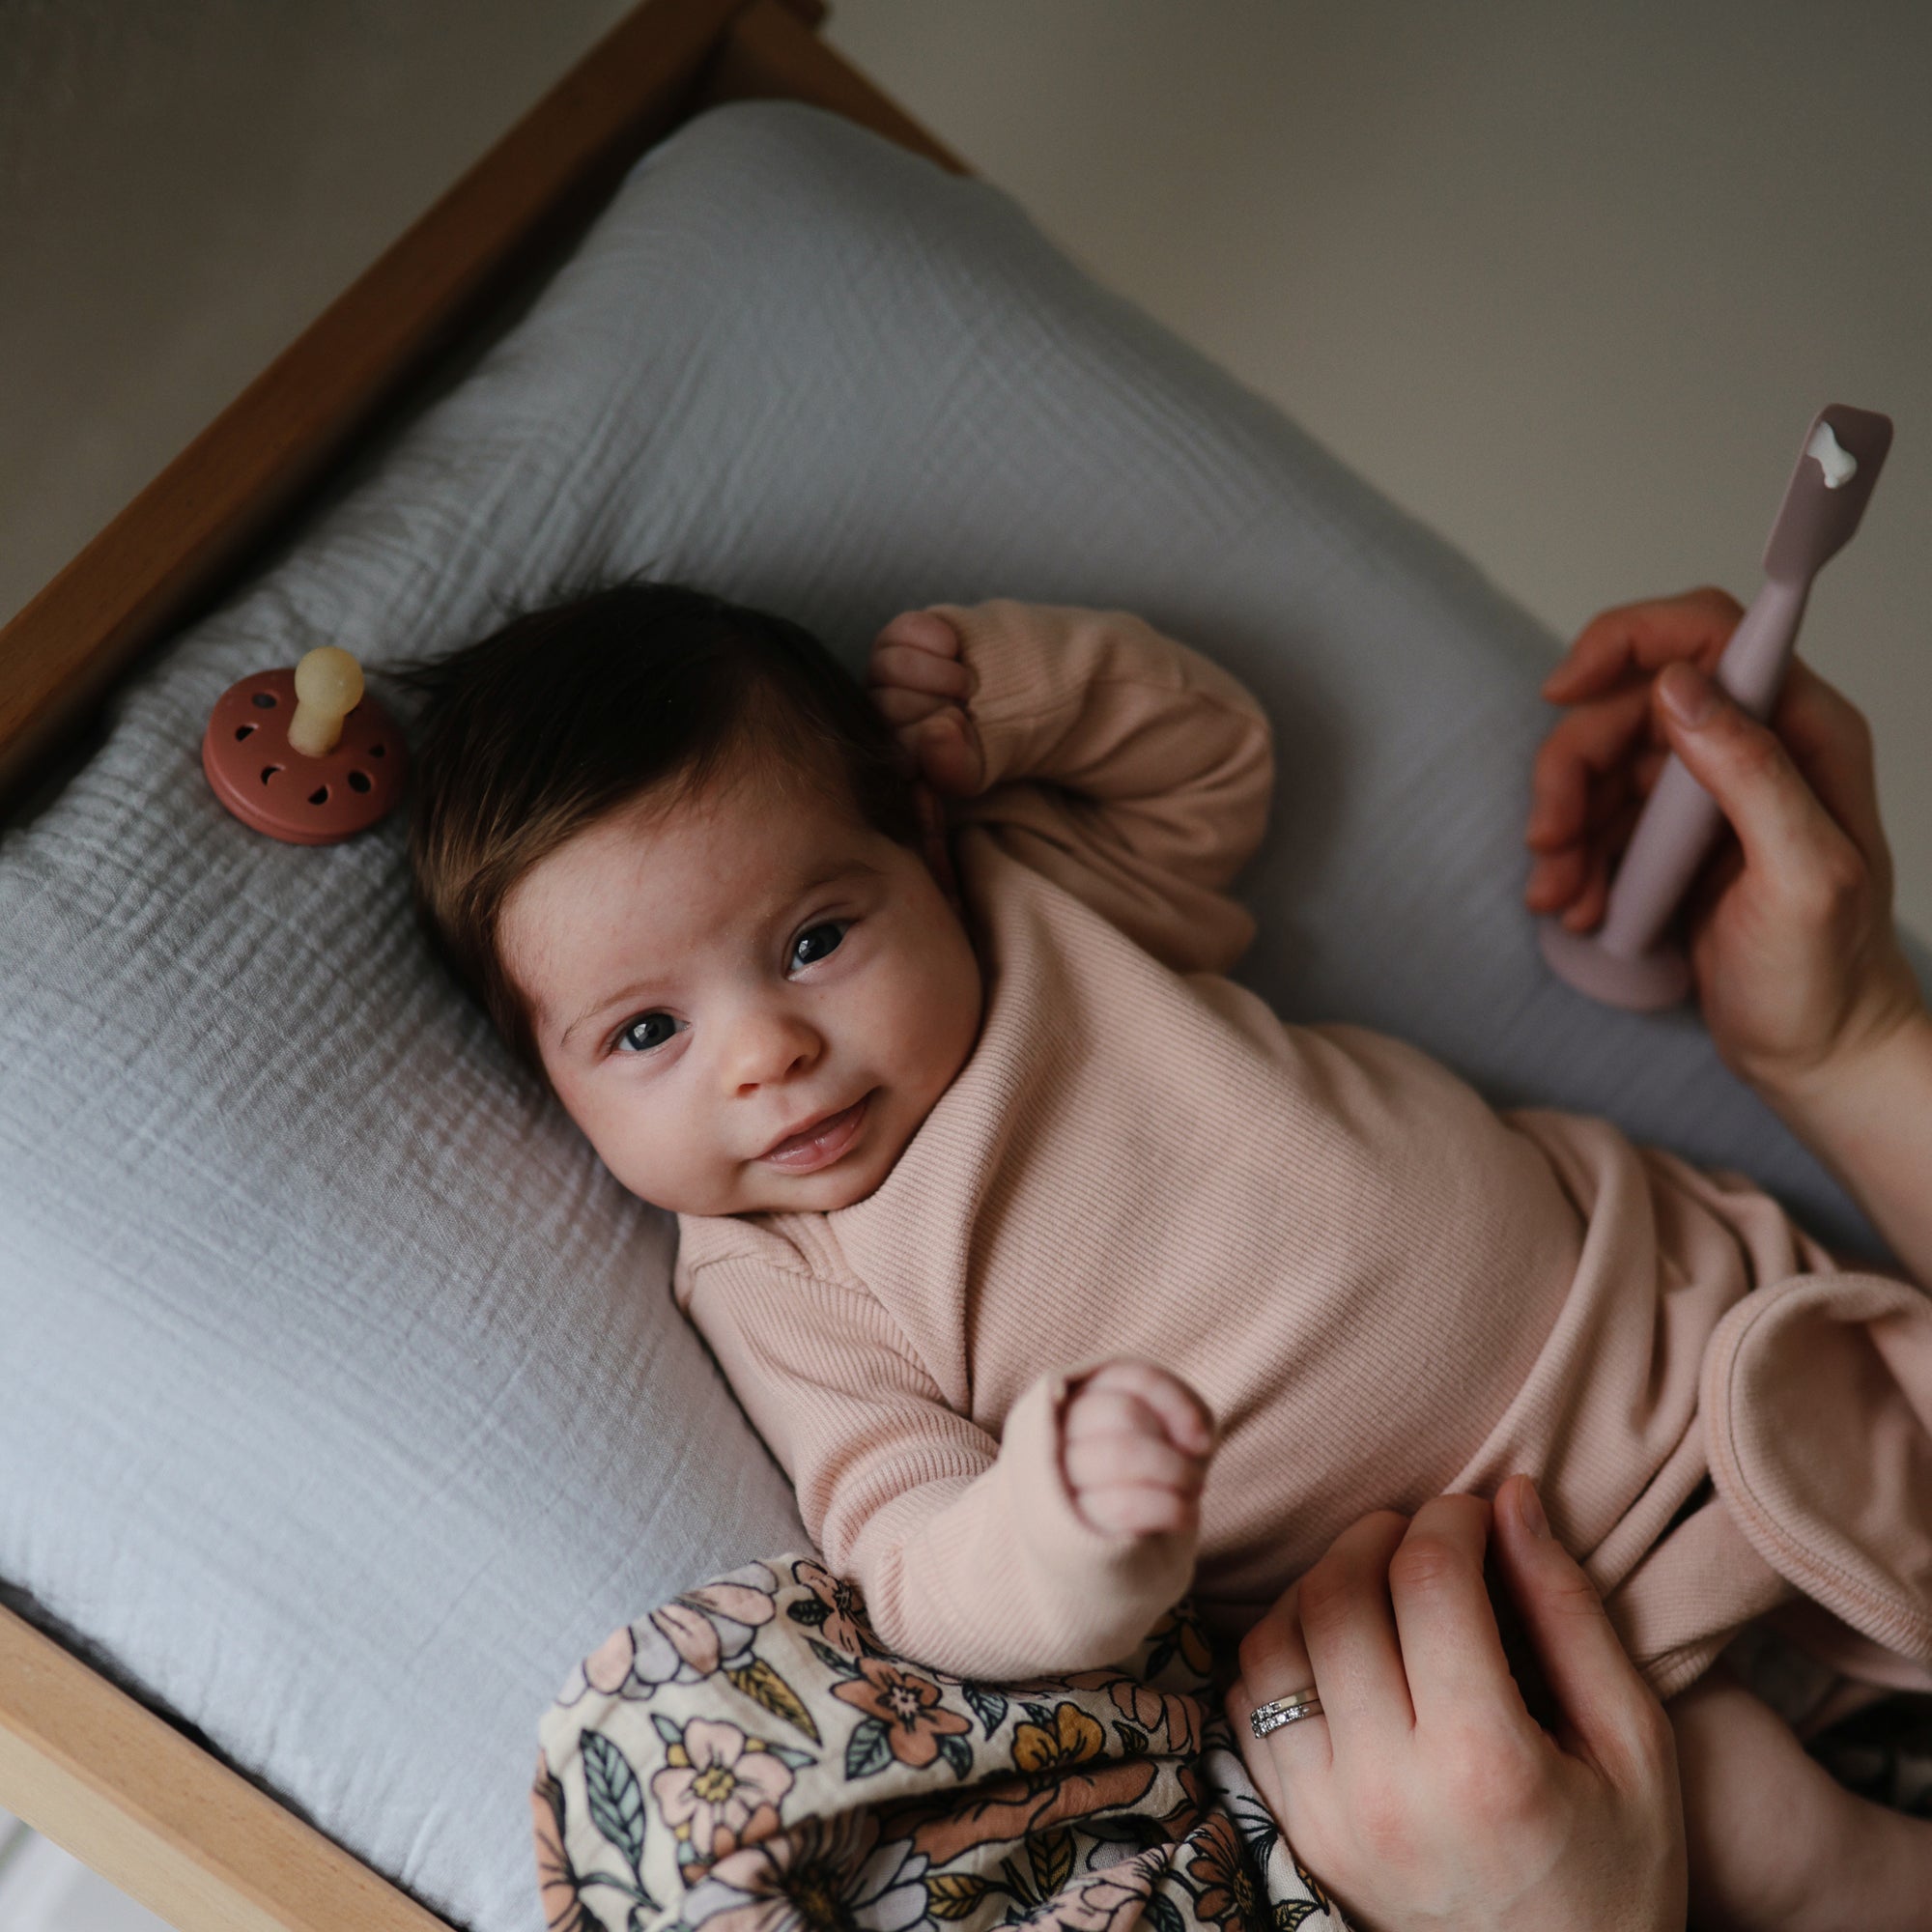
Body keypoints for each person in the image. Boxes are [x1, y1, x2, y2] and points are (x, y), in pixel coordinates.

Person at [403, 581, 1932, 1929]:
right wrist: (1069, 1538)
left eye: (814, 939)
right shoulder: (779, 1275)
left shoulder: (1040, 908)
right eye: (647, 1032)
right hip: (1549, 1621)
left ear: (920, 844)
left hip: (1699, 1323)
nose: (768, 1052)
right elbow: (913, 1554)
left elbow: (1208, 766)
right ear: (557, 1083)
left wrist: (1018, 700)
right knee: (1773, 1839)